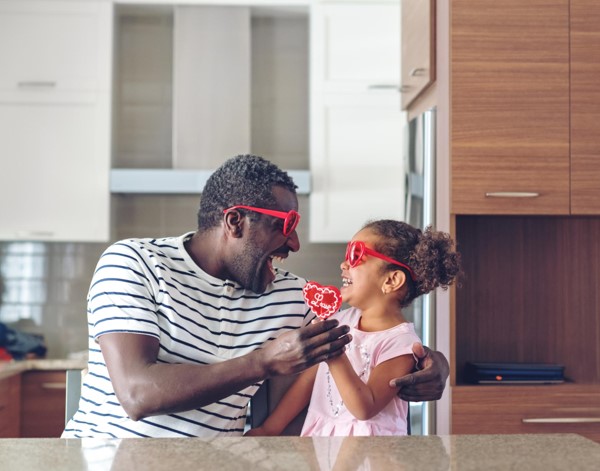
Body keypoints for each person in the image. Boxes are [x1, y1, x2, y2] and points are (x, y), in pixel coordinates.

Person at [62, 155, 449, 438]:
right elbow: (137, 394)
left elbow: (375, 331)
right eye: (287, 226)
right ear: (235, 222)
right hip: (106, 460)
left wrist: (433, 364)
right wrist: (262, 362)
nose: (295, 243)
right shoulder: (133, 262)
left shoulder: (294, 300)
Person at [246, 219, 460, 436]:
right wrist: (270, 428)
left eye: (356, 255)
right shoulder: (340, 320)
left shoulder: (401, 343)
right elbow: (307, 380)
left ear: (392, 280)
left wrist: (334, 353)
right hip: (321, 439)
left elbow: (365, 408)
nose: (344, 264)